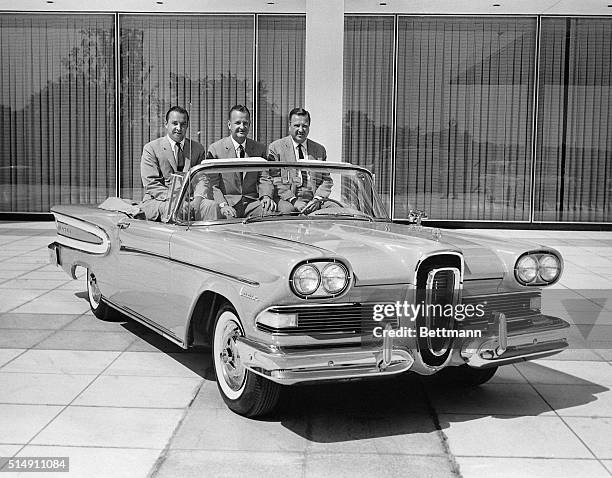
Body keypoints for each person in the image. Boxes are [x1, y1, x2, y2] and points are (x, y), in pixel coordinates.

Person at [140, 106, 217, 221]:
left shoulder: (197, 149)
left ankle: (210, 239)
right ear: (166, 124)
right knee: (177, 210)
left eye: (183, 124)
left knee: (211, 206)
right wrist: (177, 200)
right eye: (174, 123)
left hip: (190, 199)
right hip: (159, 200)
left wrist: (198, 199)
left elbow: (202, 178)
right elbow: (152, 184)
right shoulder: (151, 148)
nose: (179, 128)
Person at [206, 105, 276, 218]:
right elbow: (213, 185)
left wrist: (266, 196)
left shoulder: (259, 149)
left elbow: (264, 178)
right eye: (237, 123)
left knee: (270, 212)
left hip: (252, 203)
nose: (242, 127)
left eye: (245, 123)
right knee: (228, 221)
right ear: (229, 125)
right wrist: (223, 205)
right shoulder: (215, 149)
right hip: (228, 203)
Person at [267, 107, 332, 214]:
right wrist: (294, 200)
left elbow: (327, 180)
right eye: (297, 125)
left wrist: (317, 199)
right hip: (287, 199)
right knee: (288, 211)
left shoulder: (319, 150)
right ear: (289, 126)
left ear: (309, 127)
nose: (301, 130)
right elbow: (274, 179)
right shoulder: (276, 148)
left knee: (336, 210)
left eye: (304, 126)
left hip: (314, 198)